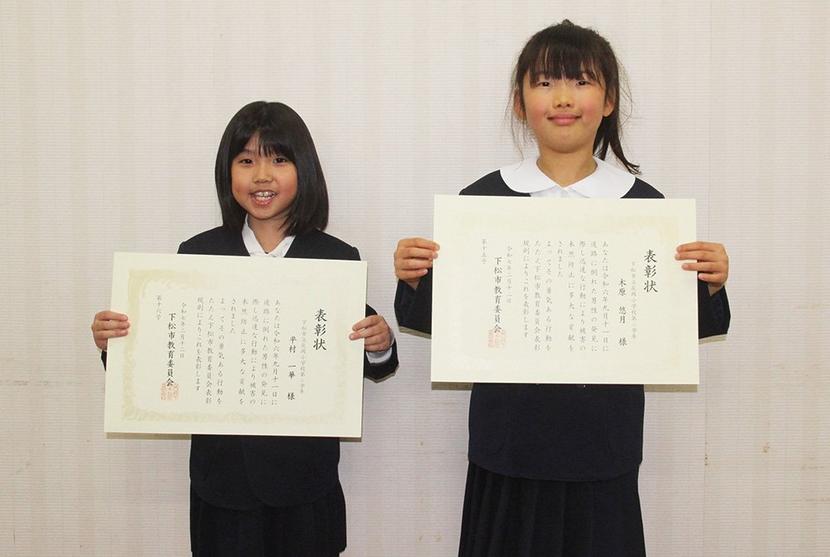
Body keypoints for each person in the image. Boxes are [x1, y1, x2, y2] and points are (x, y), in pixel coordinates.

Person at [394, 20, 730, 557]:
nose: (564, 98)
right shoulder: (481, 203)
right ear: (520, 101)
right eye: (546, 82)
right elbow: (451, 323)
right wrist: (415, 277)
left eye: (582, 81)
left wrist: (709, 282)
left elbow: (670, 330)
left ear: (609, 100)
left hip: (602, 444)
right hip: (508, 444)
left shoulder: (645, 209)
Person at [92, 101, 398, 556]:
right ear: (227, 172)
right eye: (246, 161)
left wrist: (379, 343)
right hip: (222, 483)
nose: (262, 176)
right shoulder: (197, 255)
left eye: (279, 159)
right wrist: (116, 342)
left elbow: (371, 363)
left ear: (305, 170)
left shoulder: (335, 258)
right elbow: (163, 355)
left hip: (306, 483)